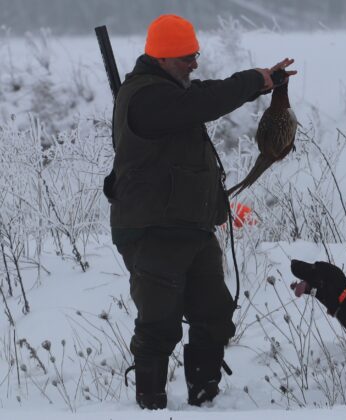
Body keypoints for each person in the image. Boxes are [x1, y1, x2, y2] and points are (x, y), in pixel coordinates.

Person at [105, 14, 296, 410]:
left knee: (214, 315)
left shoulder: (170, 90)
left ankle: (205, 401)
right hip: (153, 230)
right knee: (159, 323)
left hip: (191, 226)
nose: (194, 63)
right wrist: (253, 80)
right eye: (185, 57)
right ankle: (150, 407)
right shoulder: (146, 98)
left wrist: (262, 82)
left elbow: (205, 92)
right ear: (161, 58)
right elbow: (204, 102)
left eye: (195, 54)